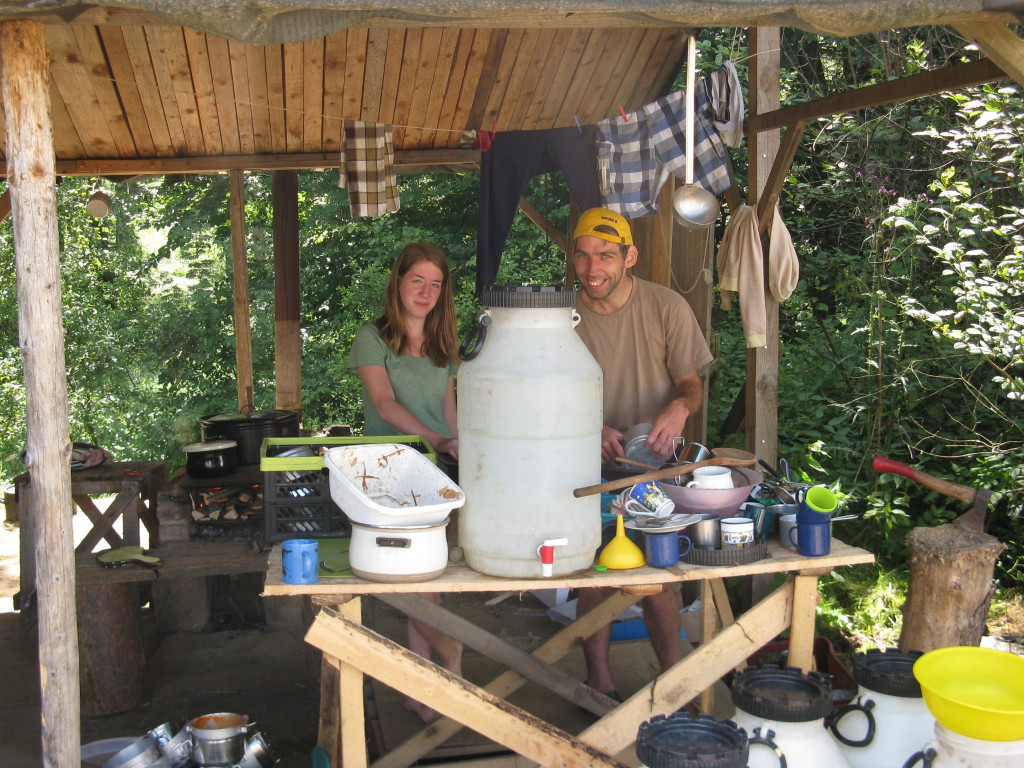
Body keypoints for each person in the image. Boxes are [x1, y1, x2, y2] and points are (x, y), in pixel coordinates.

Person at [571, 207, 714, 700]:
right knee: (594, 574)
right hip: (587, 467)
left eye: (606, 256)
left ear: (629, 257)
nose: (593, 269)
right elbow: (544, 397)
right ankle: (598, 683)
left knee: (661, 576)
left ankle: (672, 681)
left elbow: (690, 384)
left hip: (658, 466)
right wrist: (586, 428)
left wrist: (679, 408)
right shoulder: (561, 317)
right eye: (583, 256)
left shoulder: (666, 306)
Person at [347, 241, 462, 723]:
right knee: (417, 581)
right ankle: (451, 659)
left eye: (435, 284)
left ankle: (420, 689)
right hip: (392, 470)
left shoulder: (443, 342)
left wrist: (461, 444)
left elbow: (449, 405)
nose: (426, 292)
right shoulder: (372, 337)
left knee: (431, 578)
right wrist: (436, 439)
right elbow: (384, 403)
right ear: (398, 282)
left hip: (439, 468)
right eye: (417, 281)